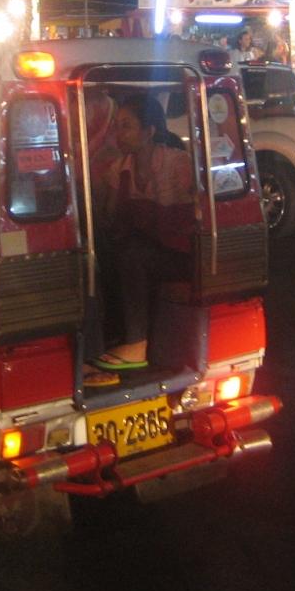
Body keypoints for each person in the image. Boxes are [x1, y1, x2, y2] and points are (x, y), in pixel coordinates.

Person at [88, 94, 194, 386]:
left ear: (149, 131)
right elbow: (110, 218)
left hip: (182, 255)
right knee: (97, 253)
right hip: (148, 251)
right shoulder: (120, 168)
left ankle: (136, 343)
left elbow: (194, 213)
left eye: (126, 126)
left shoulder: (177, 163)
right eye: (116, 126)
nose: (118, 134)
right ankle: (103, 341)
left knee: (132, 253)